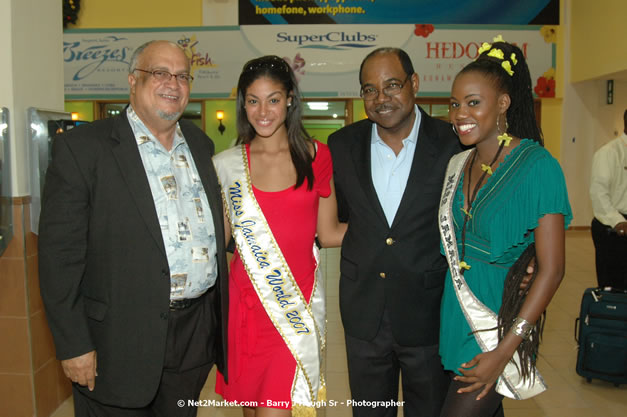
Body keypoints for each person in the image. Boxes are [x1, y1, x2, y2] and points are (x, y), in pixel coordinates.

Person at [38, 40, 228, 417]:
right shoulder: (83, 148)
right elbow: (59, 258)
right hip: (117, 340)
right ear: (132, 80)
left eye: (182, 76)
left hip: (193, 336)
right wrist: (74, 344)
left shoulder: (200, 144)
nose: (172, 84)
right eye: (159, 73)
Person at [438, 38, 572, 417]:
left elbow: (553, 268)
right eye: (455, 104)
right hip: (456, 317)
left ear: (502, 104)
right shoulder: (458, 165)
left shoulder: (538, 166)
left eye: (473, 102)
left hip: (498, 327)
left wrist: (504, 351)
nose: (460, 113)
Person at [327, 48, 461, 417]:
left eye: (392, 85)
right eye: (369, 89)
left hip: (427, 311)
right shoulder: (341, 145)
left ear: (414, 84)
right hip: (363, 311)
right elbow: (332, 217)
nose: (381, 98)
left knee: (430, 409)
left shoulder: (452, 143)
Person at [213, 55, 346, 417]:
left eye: (273, 99)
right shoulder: (227, 165)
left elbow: (330, 232)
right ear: (243, 103)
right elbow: (218, 242)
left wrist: (394, 234)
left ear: (290, 98)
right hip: (245, 309)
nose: (263, 111)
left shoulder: (316, 155)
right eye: (253, 100)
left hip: (293, 309)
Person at [589, 109, 627, 290]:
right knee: (614, 287)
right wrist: (618, 222)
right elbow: (599, 193)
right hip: (613, 227)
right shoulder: (609, 152)